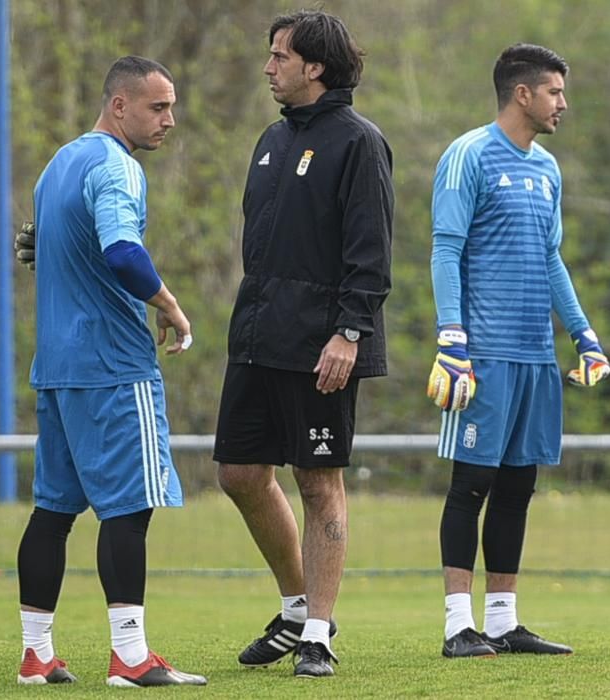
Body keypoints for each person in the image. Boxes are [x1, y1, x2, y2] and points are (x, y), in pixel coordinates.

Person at [13, 56, 206, 686]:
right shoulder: (116, 166)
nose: (169, 120)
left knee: (53, 512)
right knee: (129, 509)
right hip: (114, 367)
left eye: (171, 106)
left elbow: (39, 247)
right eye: (157, 107)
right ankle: (130, 656)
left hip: (58, 370)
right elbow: (122, 251)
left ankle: (36, 654)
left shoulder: (58, 163)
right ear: (119, 105)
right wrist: (171, 306)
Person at [213, 10, 393, 679]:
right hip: (257, 335)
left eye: (280, 56)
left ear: (315, 66)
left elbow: (370, 254)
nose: (268, 67)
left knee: (318, 484)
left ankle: (317, 632)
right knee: (237, 473)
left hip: (322, 345)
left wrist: (349, 332)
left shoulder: (359, 142)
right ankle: (295, 607)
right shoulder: (270, 138)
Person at [427, 43, 610, 659]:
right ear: (523, 94)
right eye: (555, 91)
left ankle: (502, 621)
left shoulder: (549, 168)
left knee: (517, 487)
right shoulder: (468, 155)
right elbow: (445, 248)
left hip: (535, 356)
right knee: (471, 484)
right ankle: (458, 625)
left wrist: (582, 332)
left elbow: (549, 257)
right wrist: (451, 338)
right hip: (483, 356)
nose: (564, 103)